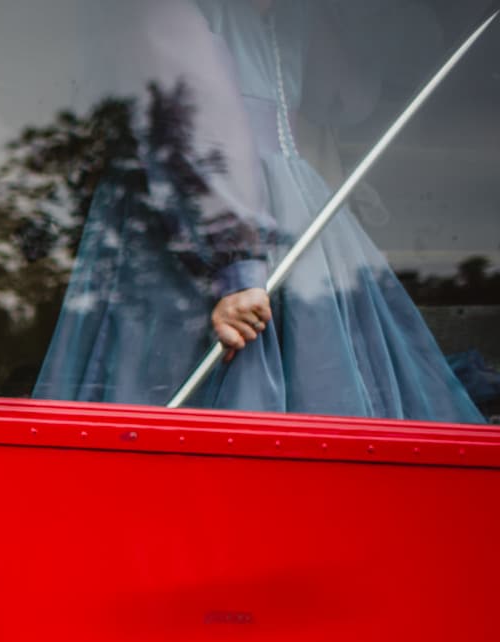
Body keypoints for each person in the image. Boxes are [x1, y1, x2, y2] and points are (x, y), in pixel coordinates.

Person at [33, 0, 483, 423]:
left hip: (241, 211)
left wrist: (240, 267)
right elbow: (204, 119)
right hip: (228, 209)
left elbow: (333, 98)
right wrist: (237, 267)